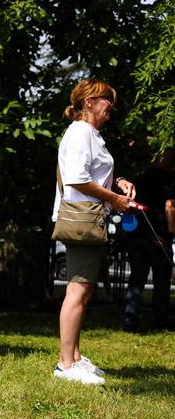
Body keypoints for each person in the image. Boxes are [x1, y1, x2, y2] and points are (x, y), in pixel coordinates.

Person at [52, 79, 134, 385]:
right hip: (82, 219)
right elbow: (76, 178)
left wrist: (118, 181)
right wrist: (115, 198)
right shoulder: (81, 132)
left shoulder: (90, 134)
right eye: (106, 100)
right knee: (77, 290)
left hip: (90, 218)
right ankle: (65, 365)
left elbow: (92, 173)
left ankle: (74, 358)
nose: (111, 106)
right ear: (89, 102)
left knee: (84, 289)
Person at [122, 148, 175, 331]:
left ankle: (130, 318)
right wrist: (169, 236)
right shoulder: (169, 180)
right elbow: (170, 207)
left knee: (137, 276)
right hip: (158, 236)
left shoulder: (140, 179)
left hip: (135, 233)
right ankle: (160, 319)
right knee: (162, 277)